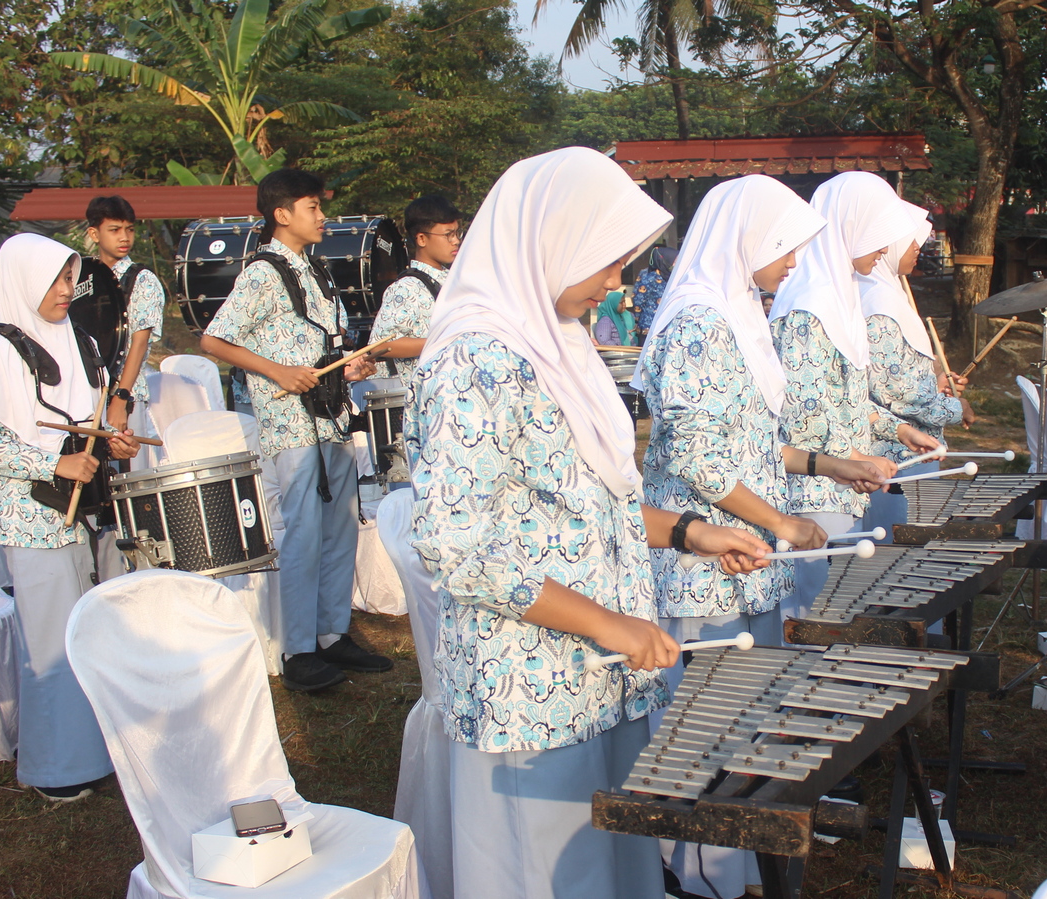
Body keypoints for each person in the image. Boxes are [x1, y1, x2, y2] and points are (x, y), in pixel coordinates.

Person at [406, 147, 771, 899]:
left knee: (614, 861)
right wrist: (608, 622)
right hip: (530, 689)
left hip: (605, 675)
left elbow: (590, 507)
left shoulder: (562, 344)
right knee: (547, 874)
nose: (618, 282)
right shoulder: (471, 359)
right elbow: (456, 549)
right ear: (553, 239)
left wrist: (690, 532)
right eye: (608, 261)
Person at [634, 174, 886, 899]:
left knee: (747, 726)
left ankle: (739, 867)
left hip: (747, 557)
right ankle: (699, 873)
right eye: (785, 248)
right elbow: (699, 458)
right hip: (704, 564)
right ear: (747, 238)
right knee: (703, 728)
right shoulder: (696, 321)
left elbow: (748, 443)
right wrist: (780, 520)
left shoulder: (740, 313)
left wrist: (828, 464)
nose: (794, 264)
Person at [0, 233, 141, 802]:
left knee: (98, 635)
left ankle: (104, 749)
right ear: (22, 281)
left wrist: (112, 443)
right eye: (57, 280)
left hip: (88, 511)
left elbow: (87, 424)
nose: (67, 291)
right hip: (34, 516)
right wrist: (50, 460)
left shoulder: (80, 340)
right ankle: (58, 767)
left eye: (69, 279)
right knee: (52, 643)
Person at [199, 168, 391, 692]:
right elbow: (215, 341)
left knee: (341, 526)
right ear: (282, 215)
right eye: (313, 207)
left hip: (330, 416)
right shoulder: (263, 273)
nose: (323, 216)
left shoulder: (316, 269)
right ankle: (298, 649)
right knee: (305, 532)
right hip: (291, 424)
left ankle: (332, 633)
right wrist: (278, 372)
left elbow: (321, 342)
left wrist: (352, 366)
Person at [770, 171, 938, 622]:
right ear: (849, 227)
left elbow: (845, 398)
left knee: (839, 617)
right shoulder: (808, 305)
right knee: (813, 620)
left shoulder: (835, 297)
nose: (885, 249)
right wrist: (856, 458)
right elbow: (804, 416)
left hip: (842, 485)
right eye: (877, 237)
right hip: (815, 491)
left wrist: (898, 429)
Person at [859, 200, 971, 540]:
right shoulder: (878, 303)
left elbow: (893, 376)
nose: (918, 249)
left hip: (909, 451)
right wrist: (956, 407)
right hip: (890, 458)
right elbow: (900, 393)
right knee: (888, 555)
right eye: (911, 241)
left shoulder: (888, 292)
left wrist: (934, 382)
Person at [367, 194, 462, 484]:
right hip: (417, 413)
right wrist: (446, 340)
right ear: (421, 238)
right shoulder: (407, 288)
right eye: (448, 234)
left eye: (457, 232)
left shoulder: (450, 280)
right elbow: (381, 345)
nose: (456, 240)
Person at [83, 195, 166, 447]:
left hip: (125, 393)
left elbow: (139, 345)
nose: (124, 238)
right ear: (94, 234)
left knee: (127, 474)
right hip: (86, 393)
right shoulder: (80, 277)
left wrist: (120, 398)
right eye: (114, 230)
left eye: (129, 229)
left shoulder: (141, 280)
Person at [631, 246, 675, 340]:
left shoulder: (669, 276)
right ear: (665, 259)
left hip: (665, 324)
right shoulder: (651, 277)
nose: (675, 264)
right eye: (674, 261)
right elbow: (638, 299)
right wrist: (638, 319)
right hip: (649, 326)